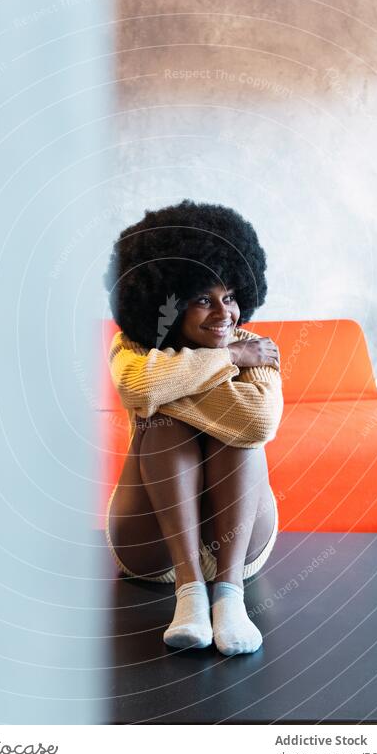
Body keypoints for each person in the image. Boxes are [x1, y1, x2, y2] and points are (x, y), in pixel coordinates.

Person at [102, 199, 283, 655]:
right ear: (169, 302)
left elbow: (258, 421)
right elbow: (140, 387)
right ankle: (188, 593)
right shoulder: (133, 348)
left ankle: (227, 597)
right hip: (153, 544)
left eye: (230, 297)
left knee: (237, 436)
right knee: (161, 426)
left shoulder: (257, 347)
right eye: (203, 299)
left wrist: (169, 384)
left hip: (238, 549)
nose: (225, 314)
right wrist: (227, 362)